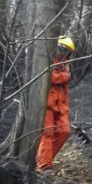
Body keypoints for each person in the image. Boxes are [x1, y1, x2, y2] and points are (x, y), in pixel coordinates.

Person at [36, 36, 75, 171]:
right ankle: (44, 165)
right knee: (47, 133)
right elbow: (50, 77)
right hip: (48, 104)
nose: (64, 54)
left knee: (64, 131)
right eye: (63, 50)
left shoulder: (66, 65)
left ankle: (43, 158)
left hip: (61, 105)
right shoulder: (48, 60)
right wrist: (65, 76)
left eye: (67, 51)